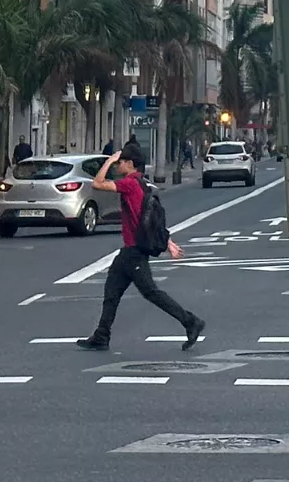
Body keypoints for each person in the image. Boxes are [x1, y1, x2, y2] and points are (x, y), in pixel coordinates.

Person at [77, 145, 204, 352]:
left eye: (121, 162)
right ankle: (101, 335)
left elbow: (97, 183)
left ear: (130, 164)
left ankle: (191, 322)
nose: (118, 165)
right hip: (128, 252)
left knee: (151, 292)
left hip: (134, 252)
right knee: (112, 292)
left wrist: (108, 161)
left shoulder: (129, 184)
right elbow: (151, 219)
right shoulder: (143, 184)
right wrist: (168, 242)